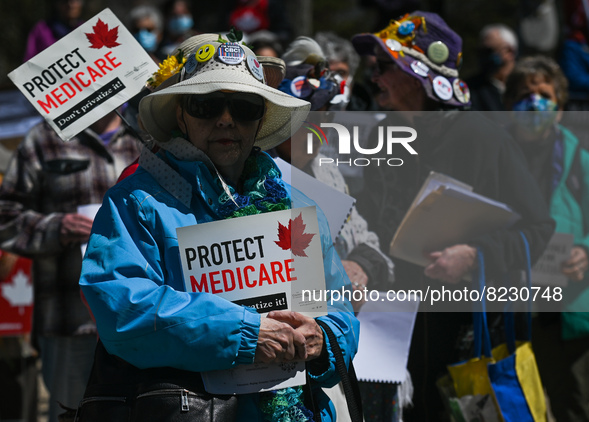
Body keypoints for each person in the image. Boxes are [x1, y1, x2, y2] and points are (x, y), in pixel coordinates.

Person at [77, 33, 359, 421]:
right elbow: (121, 307)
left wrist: (323, 337)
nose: (226, 119)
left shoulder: (299, 206)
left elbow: (339, 306)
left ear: (260, 119)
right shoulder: (136, 202)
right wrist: (245, 332)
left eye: (243, 107)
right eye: (206, 105)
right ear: (181, 115)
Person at [351, 12, 555, 421]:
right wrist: (360, 262)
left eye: (385, 66)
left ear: (419, 76)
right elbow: (370, 221)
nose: (374, 77)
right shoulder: (379, 138)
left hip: (466, 340)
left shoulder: (484, 138)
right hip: (390, 337)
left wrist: (476, 256)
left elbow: (538, 229)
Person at [275, 39, 397, 422]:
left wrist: (362, 266)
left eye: (325, 115)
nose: (318, 127)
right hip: (285, 359)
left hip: (340, 348)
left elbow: (369, 241)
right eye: (306, 117)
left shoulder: (326, 171)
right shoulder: (256, 176)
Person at [0, 111, 141, 422]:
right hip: (69, 322)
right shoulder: (43, 139)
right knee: (72, 414)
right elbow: (5, 218)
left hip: (138, 318)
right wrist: (58, 227)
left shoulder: (146, 135)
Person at [504, 55, 589, 422]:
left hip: (566, 310)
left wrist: (586, 252)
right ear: (509, 106)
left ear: (559, 107)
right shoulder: (497, 157)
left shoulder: (581, 162)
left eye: (543, 94)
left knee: (572, 405)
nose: (534, 102)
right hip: (509, 305)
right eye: (524, 94)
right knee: (515, 407)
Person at [468, 23, 519, 111]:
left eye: (489, 51)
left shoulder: (526, 85)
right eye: (481, 52)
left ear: (509, 51)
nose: (484, 57)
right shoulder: (470, 90)